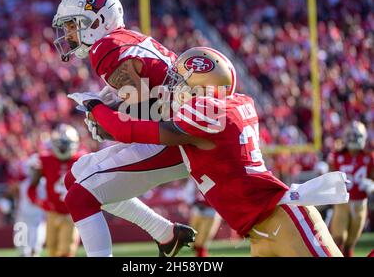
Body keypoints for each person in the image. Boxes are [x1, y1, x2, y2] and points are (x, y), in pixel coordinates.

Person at [79, 46, 349, 257]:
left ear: (200, 84)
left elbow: (128, 131)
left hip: (282, 222)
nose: (171, 87)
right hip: (259, 232)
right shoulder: (228, 104)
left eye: (178, 81)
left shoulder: (208, 112)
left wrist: (94, 105)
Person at [53, 0, 195, 257]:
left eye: (73, 25)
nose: (69, 34)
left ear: (96, 21)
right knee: (75, 177)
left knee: (80, 197)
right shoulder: (125, 39)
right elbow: (146, 99)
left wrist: (105, 117)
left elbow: (142, 113)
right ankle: (166, 234)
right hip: (173, 128)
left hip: (175, 137)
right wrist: (111, 108)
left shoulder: (106, 47)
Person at [27, 124, 82, 257]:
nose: (63, 147)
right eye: (60, 144)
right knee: (52, 251)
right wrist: (41, 203)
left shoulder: (81, 159)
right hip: (52, 213)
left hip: (71, 214)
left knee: (66, 252)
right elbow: (31, 188)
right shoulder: (45, 160)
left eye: (66, 144)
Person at [328, 121, 374, 257]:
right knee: (338, 238)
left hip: (361, 204)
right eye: (351, 136)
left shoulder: (369, 157)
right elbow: (329, 177)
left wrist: (371, 185)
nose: (354, 139)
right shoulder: (337, 156)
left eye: (356, 136)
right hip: (343, 202)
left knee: (350, 244)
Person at [184, 179, 221, 257]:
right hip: (197, 210)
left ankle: (201, 252)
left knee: (205, 236)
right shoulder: (194, 178)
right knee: (193, 235)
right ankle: (199, 251)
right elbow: (188, 193)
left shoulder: (218, 177)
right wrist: (194, 203)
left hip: (212, 210)